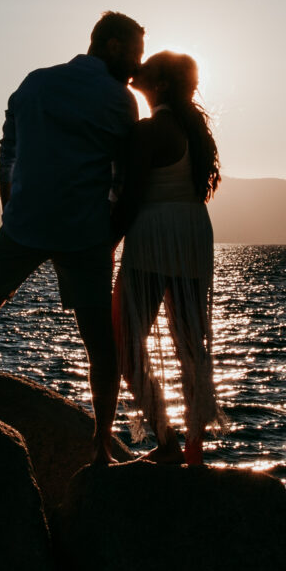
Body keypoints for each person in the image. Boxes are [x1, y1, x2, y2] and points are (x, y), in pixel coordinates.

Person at [0, 11, 145, 460]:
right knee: (100, 341)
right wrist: (112, 232)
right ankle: (100, 443)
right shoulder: (120, 98)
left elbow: (7, 151)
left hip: (25, 222)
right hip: (85, 231)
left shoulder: (35, 82)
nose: (137, 65)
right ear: (112, 46)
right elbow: (125, 176)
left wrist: (9, 206)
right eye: (135, 53)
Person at [112, 50, 220, 467]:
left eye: (146, 68)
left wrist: (104, 244)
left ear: (157, 85)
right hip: (194, 231)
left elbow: (131, 197)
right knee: (191, 344)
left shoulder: (153, 129)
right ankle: (194, 450)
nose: (135, 70)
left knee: (123, 341)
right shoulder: (192, 129)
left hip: (156, 232)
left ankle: (167, 441)